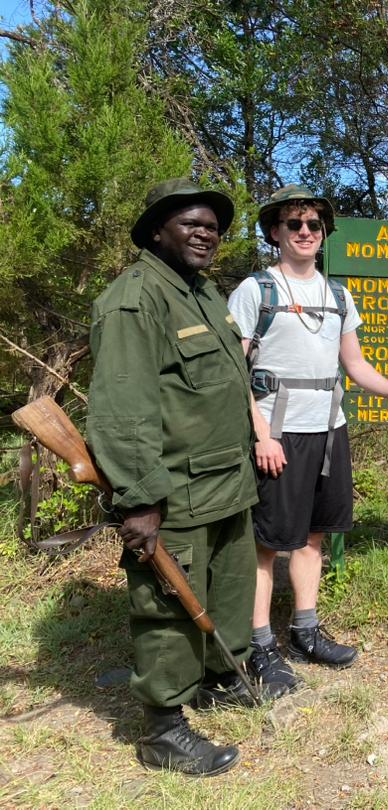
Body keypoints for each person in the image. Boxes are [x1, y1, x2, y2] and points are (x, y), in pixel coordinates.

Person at [88, 178, 273, 776]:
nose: (206, 233)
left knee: (229, 587)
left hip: (226, 482)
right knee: (169, 605)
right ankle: (163, 728)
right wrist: (139, 501)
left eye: (214, 226)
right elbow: (123, 408)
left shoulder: (202, 293)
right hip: (175, 492)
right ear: (156, 231)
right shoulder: (134, 300)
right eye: (192, 223)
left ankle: (221, 678)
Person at [228, 185, 388, 694]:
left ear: (324, 235)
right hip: (277, 434)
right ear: (275, 232)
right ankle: (259, 647)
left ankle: (304, 631)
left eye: (314, 225)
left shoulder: (338, 296)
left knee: (315, 535)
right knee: (266, 545)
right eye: (294, 224)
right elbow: (232, 370)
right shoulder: (257, 290)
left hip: (328, 430)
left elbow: (356, 365)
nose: (304, 232)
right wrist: (260, 436)